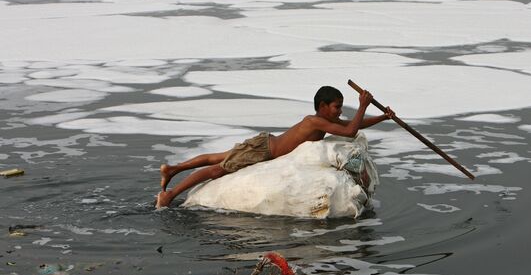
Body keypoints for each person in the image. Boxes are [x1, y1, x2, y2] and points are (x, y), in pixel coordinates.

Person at [156, 85, 394, 208]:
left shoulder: (325, 121)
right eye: (336, 106)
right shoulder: (315, 121)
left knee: (218, 158)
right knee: (217, 169)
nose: (340, 111)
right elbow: (351, 130)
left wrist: (383, 117)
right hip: (264, 150)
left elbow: (353, 124)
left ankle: (173, 169)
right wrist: (363, 103)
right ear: (322, 106)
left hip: (264, 144)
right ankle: (170, 195)